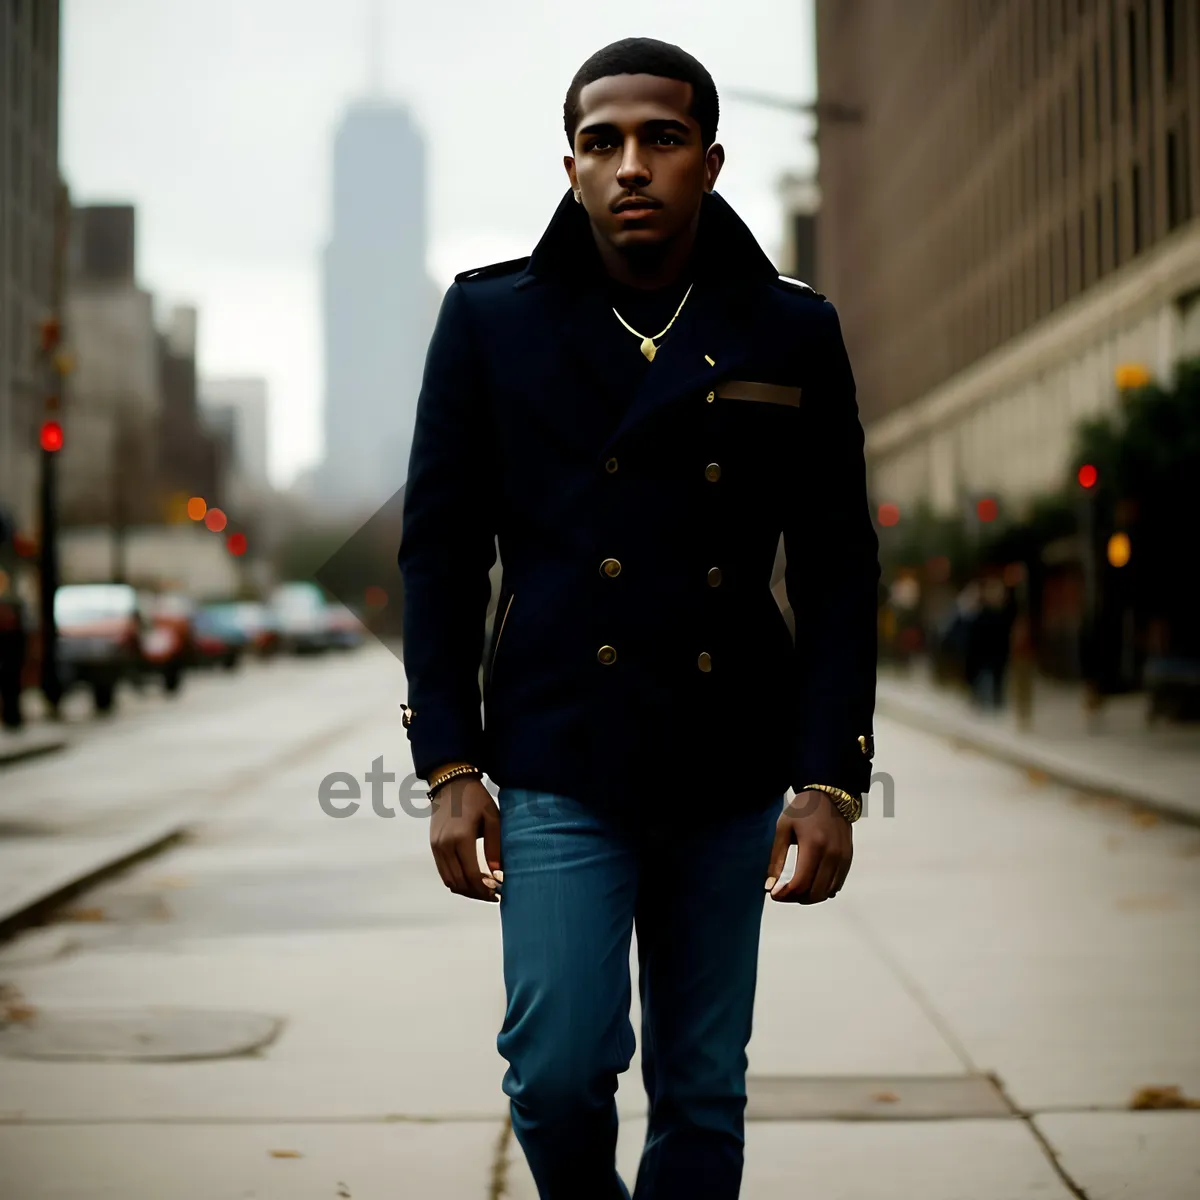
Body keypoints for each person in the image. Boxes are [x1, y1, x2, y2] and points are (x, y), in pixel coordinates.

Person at [398, 38, 879, 1199]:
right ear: (569, 167)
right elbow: (442, 554)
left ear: (708, 163)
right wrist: (450, 763)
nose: (630, 165)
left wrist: (830, 778)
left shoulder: (789, 327)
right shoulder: (490, 320)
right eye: (602, 141)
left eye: (660, 139)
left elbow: (837, 566)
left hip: (728, 756)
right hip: (562, 753)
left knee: (703, 1092)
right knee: (557, 1075)